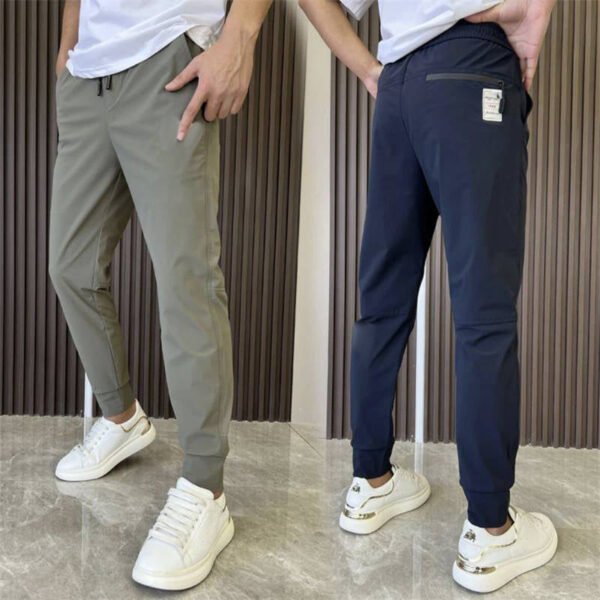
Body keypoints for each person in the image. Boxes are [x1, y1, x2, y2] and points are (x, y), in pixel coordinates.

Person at [299, 0, 557, 593]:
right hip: (471, 65)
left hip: (399, 86)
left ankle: (371, 482)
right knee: (484, 312)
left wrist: (373, 71)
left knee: (382, 301)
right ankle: (491, 531)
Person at [49, 0, 272, 590]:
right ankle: (122, 416)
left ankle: (205, 488)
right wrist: (69, 47)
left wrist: (239, 37)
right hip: (88, 76)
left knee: (186, 278)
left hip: (168, 59)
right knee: (70, 267)